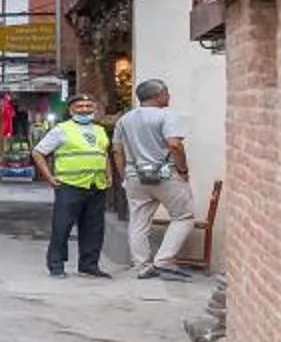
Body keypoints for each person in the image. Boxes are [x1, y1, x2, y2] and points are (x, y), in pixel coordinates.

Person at [116, 79, 201, 280]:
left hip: (135, 174)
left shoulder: (125, 119)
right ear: (158, 95)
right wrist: (183, 169)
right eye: (167, 93)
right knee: (183, 216)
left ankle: (142, 266)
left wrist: (125, 177)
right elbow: (174, 145)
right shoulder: (167, 116)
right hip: (165, 174)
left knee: (138, 221)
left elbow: (117, 150)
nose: (169, 97)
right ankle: (163, 261)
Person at [34, 93, 116, 278]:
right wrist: (48, 176)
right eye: (80, 107)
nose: (85, 110)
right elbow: (38, 152)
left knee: (94, 227)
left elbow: (103, 154)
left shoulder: (99, 130)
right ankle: (56, 266)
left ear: (95, 109)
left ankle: (89, 264)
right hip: (69, 185)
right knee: (62, 226)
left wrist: (108, 174)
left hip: (96, 184)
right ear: (71, 110)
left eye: (89, 106)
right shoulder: (61, 130)